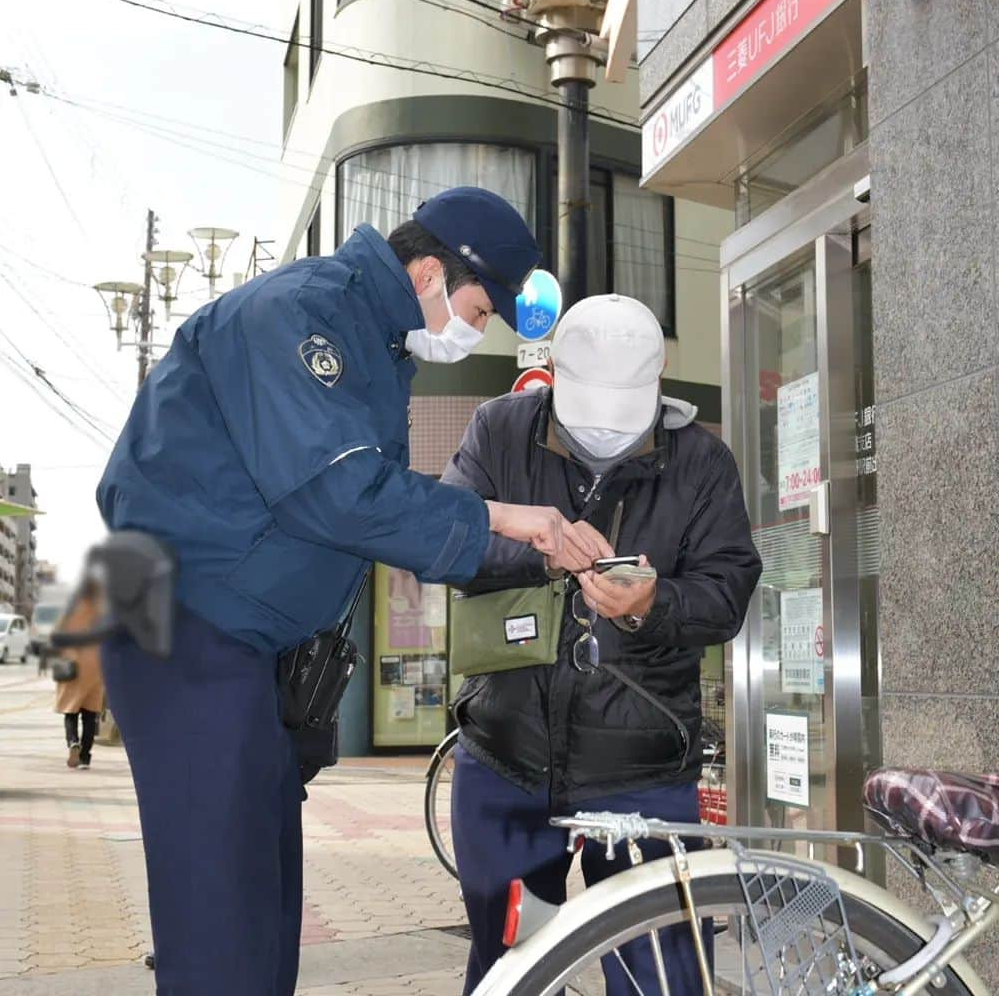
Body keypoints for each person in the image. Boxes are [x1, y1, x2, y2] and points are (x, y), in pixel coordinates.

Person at [94, 187, 599, 996]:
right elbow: (337, 494)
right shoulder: (303, 313)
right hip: (189, 630)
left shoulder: (372, 342)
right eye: (474, 307)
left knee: (262, 916)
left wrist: (528, 547)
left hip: (243, 648)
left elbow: (366, 513)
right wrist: (506, 517)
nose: (470, 330)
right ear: (428, 271)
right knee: (221, 928)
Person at [441, 293, 763, 994]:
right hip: (507, 757)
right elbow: (442, 548)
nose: (605, 435)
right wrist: (541, 555)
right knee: (507, 969)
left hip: (646, 770)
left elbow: (730, 590)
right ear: (553, 370)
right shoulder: (499, 430)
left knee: (661, 975)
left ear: (661, 373)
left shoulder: (702, 461)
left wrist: (655, 602)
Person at [52, 582, 105, 770]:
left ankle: (73, 742)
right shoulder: (101, 609)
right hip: (95, 665)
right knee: (90, 716)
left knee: (71, 711)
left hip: (72, 663)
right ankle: (84, 758)